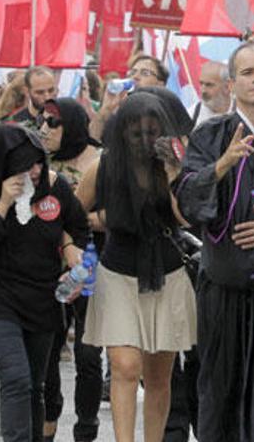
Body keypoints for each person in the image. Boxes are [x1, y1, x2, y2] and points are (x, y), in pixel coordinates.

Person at [174, 39, 254, 441]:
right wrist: (223, 164)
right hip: (221, 290)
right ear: (232, 83)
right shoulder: (209, 135)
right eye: (248, 73)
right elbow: (187, 202)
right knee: (219, 394)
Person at [77, 93, 197, 442]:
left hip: (168, 272)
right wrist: (107, 218)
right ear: (122, 131)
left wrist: (175, 173)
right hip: (118, 273)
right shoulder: (104, 167)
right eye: (136, 132)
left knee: (160, 377)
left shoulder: (174, 164)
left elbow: (186, 218)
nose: (144, 139)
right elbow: (74, 215)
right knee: (126, 366)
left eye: (152, 131)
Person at [0, 123, 91, 441]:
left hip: (42, 297)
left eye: (39, 162)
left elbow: (80, 228)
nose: (35, 171)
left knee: (35, 386)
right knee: (15, 377)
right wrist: (2, 204)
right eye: (25, 166)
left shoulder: (55, 188)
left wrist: (72, 253)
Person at [38, 98, 104, 442]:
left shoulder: (100, 160)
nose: (45, 128)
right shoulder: (37, 162)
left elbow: (118, 213)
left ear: (74, 126)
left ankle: (86, 427)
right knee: (47, 352)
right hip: (46, 266)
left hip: (93, 262)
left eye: (53, 122)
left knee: (88, 353)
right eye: (42, 120)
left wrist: (82, 219)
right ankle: (49, 421)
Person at [192, 61, 232, 128]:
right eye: (201, 84)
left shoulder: (243, 111)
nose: (203, 90)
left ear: (227, 87)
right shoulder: (192, 115)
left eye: (209, 85)